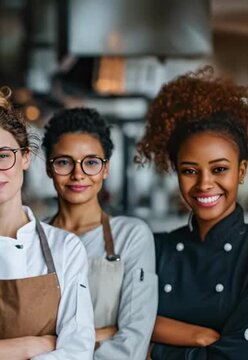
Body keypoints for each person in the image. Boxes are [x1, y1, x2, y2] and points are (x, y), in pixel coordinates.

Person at [0, 88, 95, 360]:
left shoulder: (65, 248)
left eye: (3, 156)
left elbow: (77, 351)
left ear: (25, 157)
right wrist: (30, 346)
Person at [136, 66, 248, 359]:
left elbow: (239, 354)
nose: (204, 184)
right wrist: (199, 337)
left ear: (240, 172)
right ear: (176, 173)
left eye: (219, 169)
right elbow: (116, 323)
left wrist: (154, 351)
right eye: (190, 171)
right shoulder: (154, 247)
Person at [42, 108, 157, 359]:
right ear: (49, 168)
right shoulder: (33, 238)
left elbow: (134, 338)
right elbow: (20, 331)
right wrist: (103, 332)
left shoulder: (132, 236)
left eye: (91, 162)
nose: (78, 174)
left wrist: (54, 344)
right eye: (64, 162)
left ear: (106, 169)